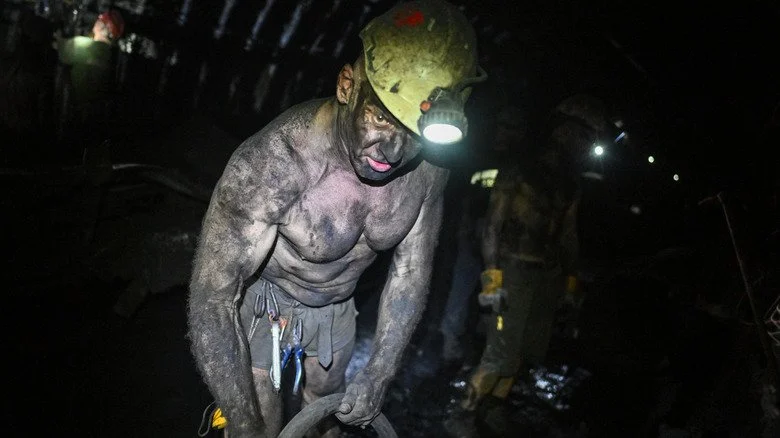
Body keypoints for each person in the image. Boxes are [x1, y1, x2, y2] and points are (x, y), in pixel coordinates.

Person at [186, 1, 484, 437]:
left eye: (413, 135)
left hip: (336, 309)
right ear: (347, 86)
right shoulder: (275, 162)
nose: (393, 151)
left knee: (330, 423)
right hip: (266, 304)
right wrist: (243, 423)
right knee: (258, 423)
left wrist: (380, 372)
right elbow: (212, 297)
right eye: (381, 117)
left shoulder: (428, 172)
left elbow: (410, 274)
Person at [444, 94, 608, 437]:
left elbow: (568, 237)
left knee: (524, 352)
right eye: (579, 135)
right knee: (499, 351)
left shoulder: (570, 184)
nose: (582, 145)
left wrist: (571, 284)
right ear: (561, 132)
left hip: (546, 277)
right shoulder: (519, 169)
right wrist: (492, 279)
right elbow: (492, 226)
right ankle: (463, 413)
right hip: (513, 271)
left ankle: (493, 407)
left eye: (588, 139)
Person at [54, 9, 124, 158]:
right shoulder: (111, 57)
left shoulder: (83, 45)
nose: (96, 21)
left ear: (103, 27)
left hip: (73, 113)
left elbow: (60, 47)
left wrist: (59, 33)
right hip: (95, 118)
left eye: (99, 20)